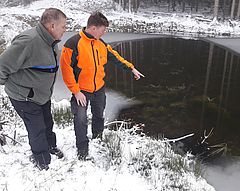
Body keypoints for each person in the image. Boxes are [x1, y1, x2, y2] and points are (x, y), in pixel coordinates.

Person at [60, 11, 144, 160]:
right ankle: (83, 151)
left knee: (99, 116)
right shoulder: (72, 44)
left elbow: (115, 57)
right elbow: (66, 71)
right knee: (80, 120)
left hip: (99, 89)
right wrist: (76, 91)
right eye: (103, 29)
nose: (105, 32)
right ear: (93, 28)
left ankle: (98, 139)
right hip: (81, 91)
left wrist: (131, 68)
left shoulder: (101, 44)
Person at [0, 8, 67, 170]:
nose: (65, 29)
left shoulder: (50, 41)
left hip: (41, 95)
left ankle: (50, 147)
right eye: (63, 26)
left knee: (47, 122)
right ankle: (42, 161)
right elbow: (2, 65)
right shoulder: (28, 41)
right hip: (24, 96)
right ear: (52, 25)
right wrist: (11, 85)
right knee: (36, 129)